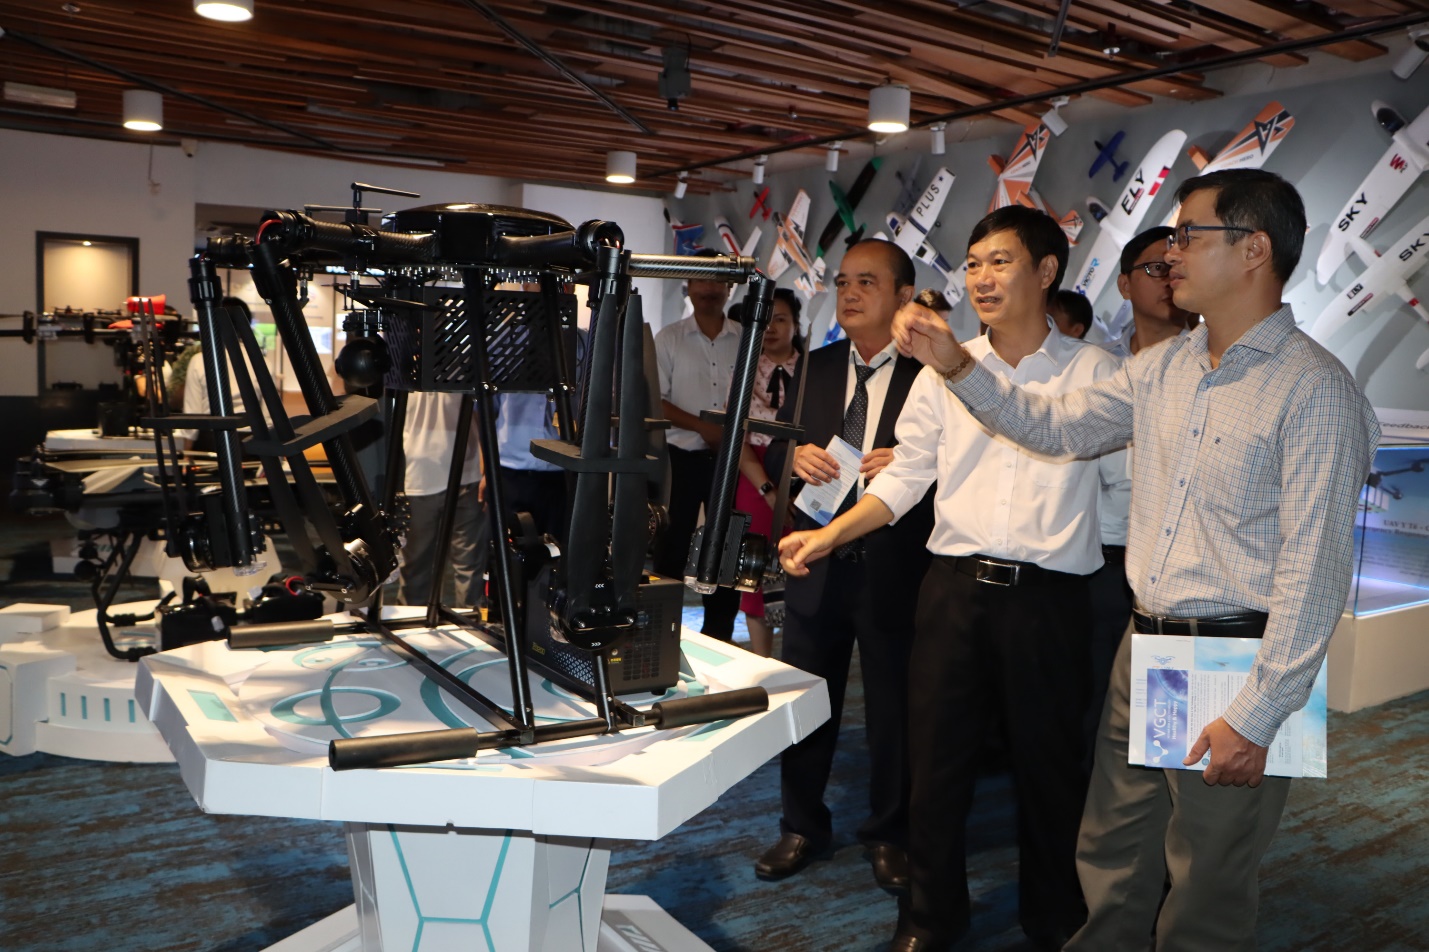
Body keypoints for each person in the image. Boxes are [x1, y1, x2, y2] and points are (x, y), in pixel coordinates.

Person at [892, 169, 1379, 951]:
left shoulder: (1314, 388)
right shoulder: (1162, 368)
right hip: (1145, 643)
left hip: (1237, 658)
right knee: (1111, 855)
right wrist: (955, 363)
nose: (1169, 253)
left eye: (1187, 235)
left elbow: (1315, 570)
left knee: (1206, 883)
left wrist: (1257, 713)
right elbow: (1053, 428)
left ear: (1253, 249)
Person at [780, 208, 1127, 951]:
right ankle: (930, 919)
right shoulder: (945, 368)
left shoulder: (1096, 371)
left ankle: (1053, 918)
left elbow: (1114, 489)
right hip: (952, 591)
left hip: (1050, 598)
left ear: (1046, 271)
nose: (981, 278)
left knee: (1051, 770)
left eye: (1000, 261)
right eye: (972, 264)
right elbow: (906, 475)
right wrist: (828, 534)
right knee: (934, 766)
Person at [754, 239, 935, 899]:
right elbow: (777, 450)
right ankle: (801, 825)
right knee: (806, 701)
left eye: (867, 282)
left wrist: (916, 470)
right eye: (842, 281)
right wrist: (793, 457)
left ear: (903, 296)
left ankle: (889, 833)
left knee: (893, 710)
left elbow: (965, 470)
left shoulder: (931, 375)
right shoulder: (815, 367)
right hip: (817, 562)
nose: (850, 293)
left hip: (897, 564)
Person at [653, 248, 742, 640]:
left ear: (729, 288)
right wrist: (704, 428)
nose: (709, 288)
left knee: (726, 547)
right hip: (680, 459)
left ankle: (719, 634)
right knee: (671, 547)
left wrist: (726, 436)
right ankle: (662, 631)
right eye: (701, 278)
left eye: (717, 280)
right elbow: (655, 400)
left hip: (732, 461)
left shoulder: (745, 338)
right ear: (687, 285)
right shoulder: (669, 338)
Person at [733, 287, 802, 657]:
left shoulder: (813, 369)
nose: (772, 328)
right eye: (766, 320)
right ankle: (760, 661)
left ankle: (795, 659)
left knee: (800, 563)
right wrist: (767, 489)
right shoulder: (744, 369)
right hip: (754, 474)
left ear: (796, 325)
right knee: (755, 568)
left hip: (803, 474)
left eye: (781, 319)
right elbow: (736, 439)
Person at [397, 391, 487, 609]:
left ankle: (470, 623)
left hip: (466, 473)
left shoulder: (466, 369)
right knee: (415, 567)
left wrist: (486, 469)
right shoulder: (405, 372)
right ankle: (412, 621)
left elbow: (482, 414)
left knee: (469, 567)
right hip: (421, 476)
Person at [1101, 225, 1199, 358]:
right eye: (1158, 267)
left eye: (1180, 269)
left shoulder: (1212, 359)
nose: (1172, 280)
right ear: (1125, 285)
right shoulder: (1100, 361)